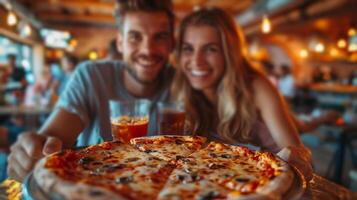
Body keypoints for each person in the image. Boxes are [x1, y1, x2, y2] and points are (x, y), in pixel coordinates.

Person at [7, 0, 175, 182]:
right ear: (120, 43)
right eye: (135, 37)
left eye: (160, 37)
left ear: (172, 44)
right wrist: (32, 153)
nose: (147, 50)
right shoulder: (92, 76)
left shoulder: (183, 83)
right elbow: (52, 140)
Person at [171, 8, 313, 180]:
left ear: (229, 53)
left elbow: (301, 157)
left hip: (270, 183)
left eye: (210, 49)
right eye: (188, 49)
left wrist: (294, 154)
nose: (196, 61)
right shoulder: (182, 88)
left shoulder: (256, 86)